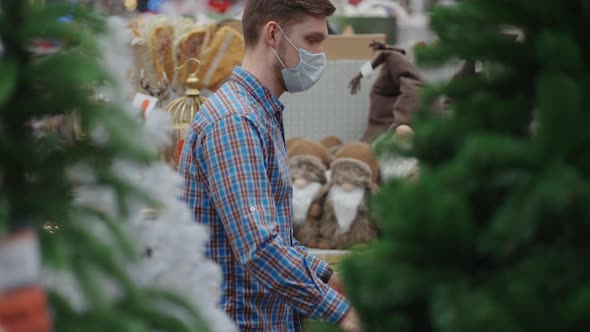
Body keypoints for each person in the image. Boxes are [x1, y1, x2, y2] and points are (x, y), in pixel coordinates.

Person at [178, 0, 360, 331]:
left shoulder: (260, 114)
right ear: (273, 35)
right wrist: (342, 311)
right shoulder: (235, 121)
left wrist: (331, 278)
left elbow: (278, 240)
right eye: (312, 41)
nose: (320, 56)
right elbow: (259, 248)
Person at [348, 40, 426, 143]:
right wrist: (360, 75)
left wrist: (398, 124)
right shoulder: (395, 60)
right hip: (381, 129)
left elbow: (412, 92)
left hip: (383, 133)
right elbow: (385, 55)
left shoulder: (395, 60)